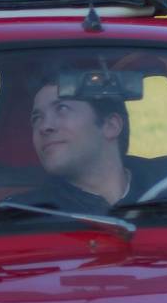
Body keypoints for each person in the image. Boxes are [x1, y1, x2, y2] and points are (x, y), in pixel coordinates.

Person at [13, 79, 152, 214]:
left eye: (62, 108)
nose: (44, 126)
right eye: (37, 118)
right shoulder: (23, 216)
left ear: (111, 126)